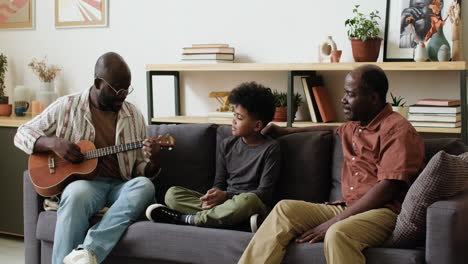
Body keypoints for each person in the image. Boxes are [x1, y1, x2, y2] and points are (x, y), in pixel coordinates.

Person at [238, 65, 425, 264]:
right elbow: (331, 128)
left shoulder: (397, 131)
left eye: (350, 94)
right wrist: (287, 131)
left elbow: (389, 187)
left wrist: (333, 221)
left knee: (338, 233)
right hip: (348, 207)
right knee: (285, 209)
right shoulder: (356, 125)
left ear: (373, 97)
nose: (343, 99)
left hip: (384, 213)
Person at [15, 52, 161, 264]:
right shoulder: (66, 106)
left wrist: (152, 161)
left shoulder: (133, 115)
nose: (123, 96)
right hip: (86, 184)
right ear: (98, 83)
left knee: (145, 186)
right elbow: (22, 133)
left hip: (121, 185)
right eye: (117, 90)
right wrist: (53, 143)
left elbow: (139, 167)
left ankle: (89, 252)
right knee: (75, 194)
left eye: (126, 90)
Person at [145, 81, 280, 232]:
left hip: (249, 204)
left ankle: (187, 219)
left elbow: (264, 194)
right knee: (172, 194)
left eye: (240, 118)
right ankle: (233, 222)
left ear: (257, 126)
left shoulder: (270, 149)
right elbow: (219, 182)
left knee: (249, 200)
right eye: (234, 115)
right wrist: (212, 196)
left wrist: (226, 196)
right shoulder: (227, 145)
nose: (233, 121)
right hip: (224, 205)